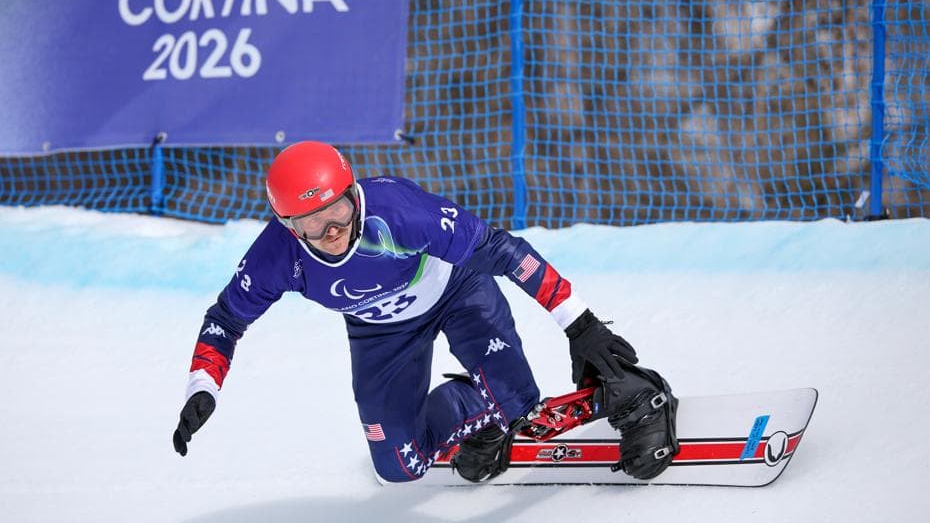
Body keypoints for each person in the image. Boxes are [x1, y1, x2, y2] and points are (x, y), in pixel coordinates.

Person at [172, 141, 678, 483]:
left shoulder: (399, 213)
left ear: (354, 195)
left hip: (457, 292)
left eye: (341, 213)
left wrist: (579, 323)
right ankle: (477, 408)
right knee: (399, 468)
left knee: (525, 410)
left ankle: (636, 393)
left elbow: (503, 250)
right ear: (287, 226)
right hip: (379, 332)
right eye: (312, 225)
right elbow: (226, 320)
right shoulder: (275, 258)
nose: (333, 233)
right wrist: (203, 386)